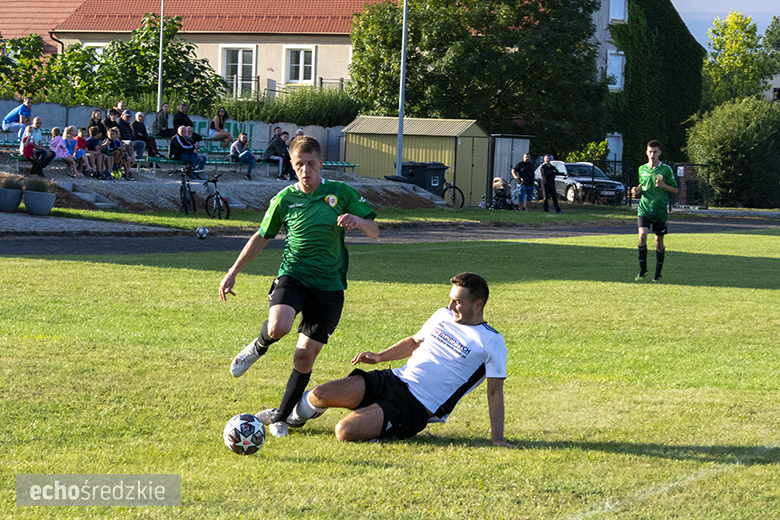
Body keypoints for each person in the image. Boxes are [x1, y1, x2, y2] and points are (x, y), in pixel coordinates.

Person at [219, 135, 379, 438]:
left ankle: (281, 416)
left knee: (304, 356)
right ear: (292, 167)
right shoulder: (284, 199)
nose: (305, 170)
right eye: (299, 165)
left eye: (310, 163)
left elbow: (375, 230)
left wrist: (358, 220)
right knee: (279, 325)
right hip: (293, 276)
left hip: (330, 287)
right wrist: (233, 272)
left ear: (321, 163)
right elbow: (261, 236)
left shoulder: (340, 192)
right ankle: (259, 346)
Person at [282, 272, 515, 447]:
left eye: (458, 302)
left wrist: (497, 439)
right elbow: (414, 341)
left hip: (415, 405)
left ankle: (382, 427)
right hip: (394, 378)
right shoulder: (442, 315)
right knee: (318, 395)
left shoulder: (491, 341)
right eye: (450, 299)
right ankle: (287, 421)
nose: (450, 305)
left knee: (344, 431)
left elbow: (495, 392)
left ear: (478, 304)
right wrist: (379, 357)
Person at [631, 140, 678, 281]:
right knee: (642, 235)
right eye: (650, 152)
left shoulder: (666, 170)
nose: (652, 155)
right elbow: (642, 184)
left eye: (655, 152)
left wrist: (663, 185)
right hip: (644, 208)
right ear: (646, 152)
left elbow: (675, 189)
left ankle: (658, 273)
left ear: (660, 153)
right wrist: (636, 190)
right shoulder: (642, 169)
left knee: (658, 242)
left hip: (659, 210)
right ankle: (643, 270)